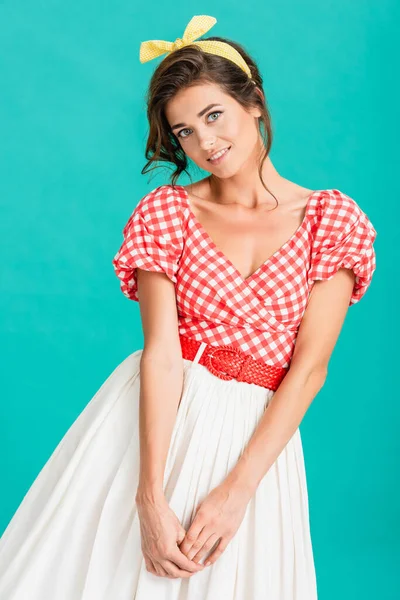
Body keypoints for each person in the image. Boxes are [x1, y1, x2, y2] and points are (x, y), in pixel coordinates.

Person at [0, 14, 377, 600]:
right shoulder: (166, 214)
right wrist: (148, 496)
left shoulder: (332, 220)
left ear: (254, 104)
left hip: (257, 438)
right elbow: (160, 352)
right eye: (183, 132)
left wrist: (235, 492)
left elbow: (309, 369)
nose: (204, 143)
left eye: (212, 115)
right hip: (154, 423)